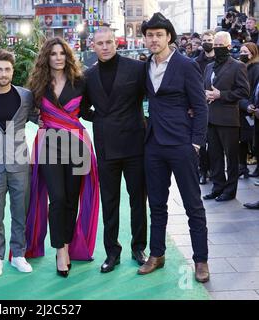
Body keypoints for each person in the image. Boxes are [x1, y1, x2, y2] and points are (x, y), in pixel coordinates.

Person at [137, 13, 210, 283]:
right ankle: (157, 254)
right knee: (156, 203)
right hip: (153, 144)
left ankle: (201, 260)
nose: (154, 39)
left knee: (193, 205)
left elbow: (200, 107)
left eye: (159, 34)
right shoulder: (145, 67)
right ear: (144, 38)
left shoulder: (186, 65)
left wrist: (195, 143)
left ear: (169, 37)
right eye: (149, 35)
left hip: (181, 144)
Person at [25, 37, 100, 278]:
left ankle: (67, 245)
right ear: (46, 57)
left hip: (77, 145)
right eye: (53, 53)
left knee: (70, 199)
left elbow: (87, 111)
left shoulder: (80, 82)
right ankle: (60, 251)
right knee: (57, 198)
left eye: (62, 53)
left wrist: (113, 116)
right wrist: (35, 119)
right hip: (48, 145)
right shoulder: (38, 84)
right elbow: (28, 111)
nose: (58, 57)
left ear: (68, 56)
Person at [82, 27, 147, 273]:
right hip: (106, 146)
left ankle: (138, 247)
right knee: (109, 201)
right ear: (93, 46)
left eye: (109, 42)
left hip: (134, 145)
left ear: (116, 43)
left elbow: (150, 97)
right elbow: (81, 108)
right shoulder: (88, 76)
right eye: (100, 43)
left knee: (138, 199)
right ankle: (112, 252)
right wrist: (99, 120)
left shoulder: (136, 68)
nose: (105, 47)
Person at [0, 49, 38, 277]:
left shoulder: (26, 96)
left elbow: (38, 117)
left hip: (20, 161)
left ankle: (18, 254)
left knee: (20, 210)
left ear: (13, 71)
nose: (3, 73)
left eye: (7, 69)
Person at [202, 31, 249, 202]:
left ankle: (230, 191)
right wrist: (205, 95)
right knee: (214, 155)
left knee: (231, 157)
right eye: (215, 45)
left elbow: (244, 91)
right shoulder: (208, 67)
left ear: (229, 47)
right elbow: (204, 87)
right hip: (211, 118)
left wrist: (221, 94)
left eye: (220, 45)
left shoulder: (238, 66)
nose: (217, 48)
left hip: (229, 119)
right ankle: (217, 187)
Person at [195, 30, 216, 185]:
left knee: (214, 144)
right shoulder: (195, 61)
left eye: (210, 39)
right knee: (202, 143)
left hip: (217, 106)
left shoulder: (219, 60)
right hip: (200, 105)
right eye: (205, 40)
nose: (207, 42)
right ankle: (203, 170)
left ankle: (214, 171)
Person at [238, 43, 259, 180]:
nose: (242, 54)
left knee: (250, 140)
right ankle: (242, 166)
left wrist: (250, 105)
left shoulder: (255, 68)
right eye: (241, 51)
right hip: (242, 107)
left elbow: (253, 90)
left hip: (250, 109)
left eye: (246, 52)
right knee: (242, 141)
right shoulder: (241, 67)